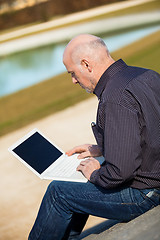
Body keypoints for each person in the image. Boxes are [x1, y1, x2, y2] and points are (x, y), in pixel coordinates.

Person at [28, 34, 160, 240]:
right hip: (155, 178)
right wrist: (105, 148)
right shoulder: (146, 75)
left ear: (86, 64)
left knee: (58, 192)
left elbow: (119, 173)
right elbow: (150, 129)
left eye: (73, 73)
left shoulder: (114, 97)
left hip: (147, 194)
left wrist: (94, 174)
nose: (73, 80)